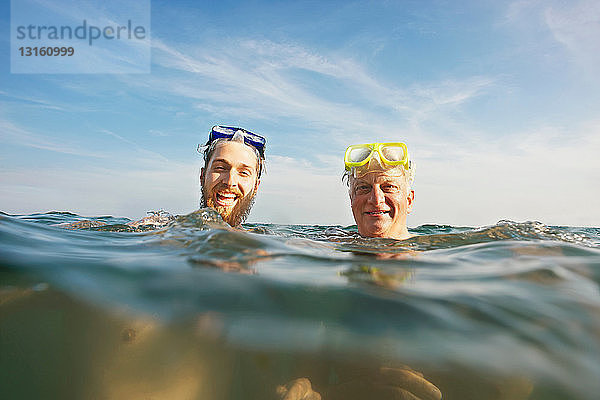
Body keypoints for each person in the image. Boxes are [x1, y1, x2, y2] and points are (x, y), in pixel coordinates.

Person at [60, 125, 266, 230]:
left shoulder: (269, 242)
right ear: (203, 175)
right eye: (221, 168)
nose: (230, 181)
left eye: (243, 172)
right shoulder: (164, 226)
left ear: (255, 186)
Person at [343, 142, 415, 240]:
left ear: (409, 201)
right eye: (363, 188)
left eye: (389, 187)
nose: (376, 200)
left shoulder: (431, 250)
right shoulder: (328, 244)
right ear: (352, 200)